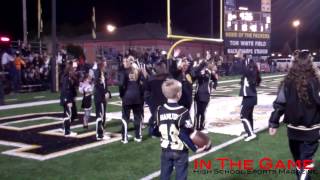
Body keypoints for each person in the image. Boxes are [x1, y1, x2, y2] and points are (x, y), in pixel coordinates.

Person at [269, 50, 320, 180]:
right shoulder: (316, 81)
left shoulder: (287, 81)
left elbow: (280, 103)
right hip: (311, 130)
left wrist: (274, 122)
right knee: (304, 163)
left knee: (300, 162)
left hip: (293, 131)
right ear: (309, 63)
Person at [152, 79, 207, 180]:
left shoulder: (159, 110)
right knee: (181, 176)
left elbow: (154, 130)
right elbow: (183, 134)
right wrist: (195, 148)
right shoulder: (183, 111)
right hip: (180, 151)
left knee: (164, 175)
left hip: (165, 150)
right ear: (179, 94)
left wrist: (161, 134)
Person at [118, 56, 144, 144]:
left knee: (125, 118)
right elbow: (141, 83)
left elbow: (121, 84)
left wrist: (121, 94)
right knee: (137, 117)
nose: (124, 63)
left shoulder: (124, 71)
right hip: (137, 97)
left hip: (127, 97)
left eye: (125, 62)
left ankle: (124, 138)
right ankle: (138, 136)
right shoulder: (138, 71)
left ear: (129, 63)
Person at [239, 54, 261, 141]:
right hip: (250, 96)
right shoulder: (252, 74)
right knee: (248, 116)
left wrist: (240, 59)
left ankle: (251, 134)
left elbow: (244, 70)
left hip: (249, 97)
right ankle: (250, 132)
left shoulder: (250, 73)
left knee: (243, 116)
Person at [194, 61, 218, 131]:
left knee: (203, 111)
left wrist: (214, 87)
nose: (205, 67)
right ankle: (196, 127)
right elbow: (195, 76)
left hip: (206, 95)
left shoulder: (209, 72)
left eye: (205, 66)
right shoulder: (198, 72)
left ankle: (201, 126)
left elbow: (215, 80)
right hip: (198, 94)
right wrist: (200, 71)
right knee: (197, 112)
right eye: (204, 65)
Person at [94, 59, 111, 141]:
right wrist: (104, 93)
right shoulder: (97, 72)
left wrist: (107, 92)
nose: (106, 66)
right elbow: (97, 85)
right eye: (105, 64)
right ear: (101, 65)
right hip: (99, 97)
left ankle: (102, 131)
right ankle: (99, 134)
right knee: (100, 115)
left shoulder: (103, 73)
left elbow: (105, 85)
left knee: (103, 115)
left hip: (103, 97)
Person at [60, 62, 78, 136]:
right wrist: (68, 101)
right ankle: (67, 131)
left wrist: (74, 96)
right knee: (68, 114)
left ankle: (64, 127)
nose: (75, 69)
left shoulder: (71, 76)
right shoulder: (66, 77)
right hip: (67, 98)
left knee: (72, 114)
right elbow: (66, 90)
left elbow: (72, 87)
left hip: (70, 98)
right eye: (74, 67)